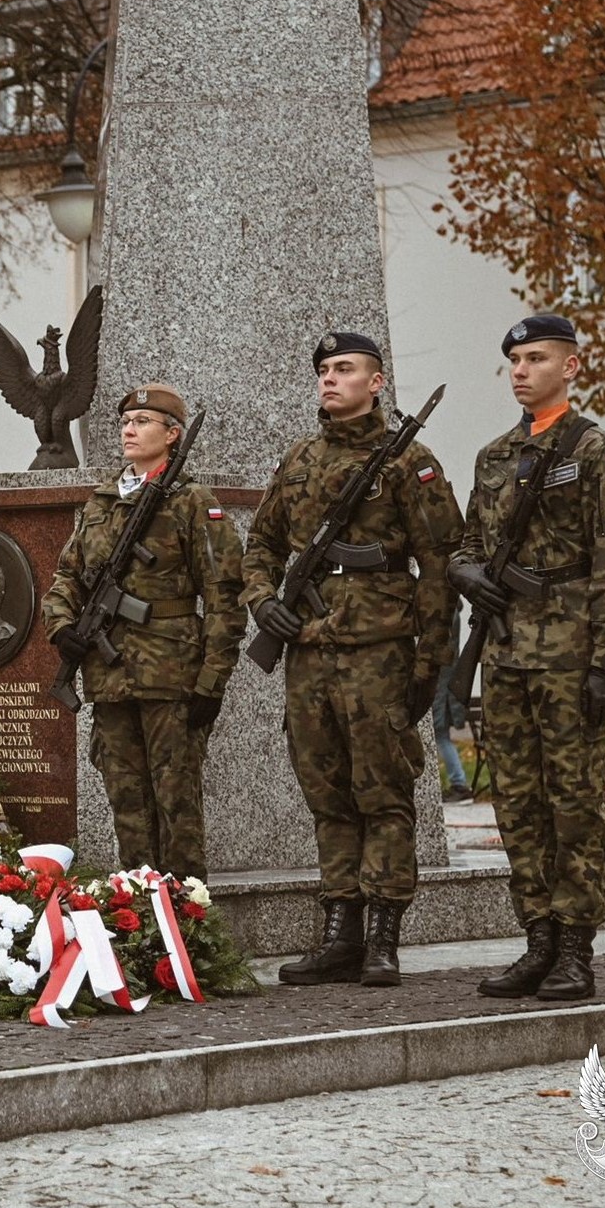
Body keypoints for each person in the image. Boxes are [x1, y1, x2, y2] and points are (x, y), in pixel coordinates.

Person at [242, 335, 463, 987]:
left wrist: (433, 661)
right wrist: (263, 605)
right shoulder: (300, 460)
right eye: (323, 371)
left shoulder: (409, 463)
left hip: (379, 653)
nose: (329, 380)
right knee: (329, 798)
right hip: (308, 656)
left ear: (376, 381)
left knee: (385, 797)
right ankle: (340, 933)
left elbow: (440, 565)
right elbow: (260, 547)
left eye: (344, 370)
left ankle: (384, 937)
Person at [447, 315, 605, 1002]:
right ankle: (536, 939)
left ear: (573, 366)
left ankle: (575, 950)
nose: (521, 370)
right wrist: (464, 573)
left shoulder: (598, 454)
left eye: (535, 358)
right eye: (514, 361)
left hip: (568, 655)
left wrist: (604, 664)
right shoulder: (495, 456)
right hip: (504, 654)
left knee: (575, 805)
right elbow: (468, 543)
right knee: (519, 805)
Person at [43, 382, 243, 884]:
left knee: (176, 802)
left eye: (143, 422)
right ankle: (139, 909)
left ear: (173, 435)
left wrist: (212, 680)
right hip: (109, 676)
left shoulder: (193, 501)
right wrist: (63, 626)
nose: (129, 430)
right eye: (125, 422)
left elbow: (223, 595)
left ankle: (187, 920)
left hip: (171, 672)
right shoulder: (102, 500)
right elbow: (67, 575)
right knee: (126, 800)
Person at [433, 607, 473, 803]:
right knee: (441, 736)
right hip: (445, 687)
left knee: (440, 735)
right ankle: (457, 782)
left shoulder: (447, 613)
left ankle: (459, 783)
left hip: (442, 687)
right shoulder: (453, 612)